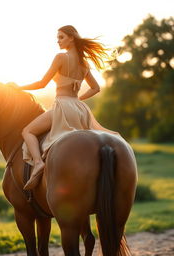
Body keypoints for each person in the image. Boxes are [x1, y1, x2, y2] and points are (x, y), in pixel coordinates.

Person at [19, 25, 119, 190]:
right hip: (80, 110)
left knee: (27, 131)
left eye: (61, 37)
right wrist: (78, 98)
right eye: (57, 38)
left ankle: (37, 163)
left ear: (72, 38)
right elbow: (96, 88)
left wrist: (18, 88)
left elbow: (42, 83)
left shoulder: (60, 58)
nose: (58, 41)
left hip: (63, 107)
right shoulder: (84, 63)